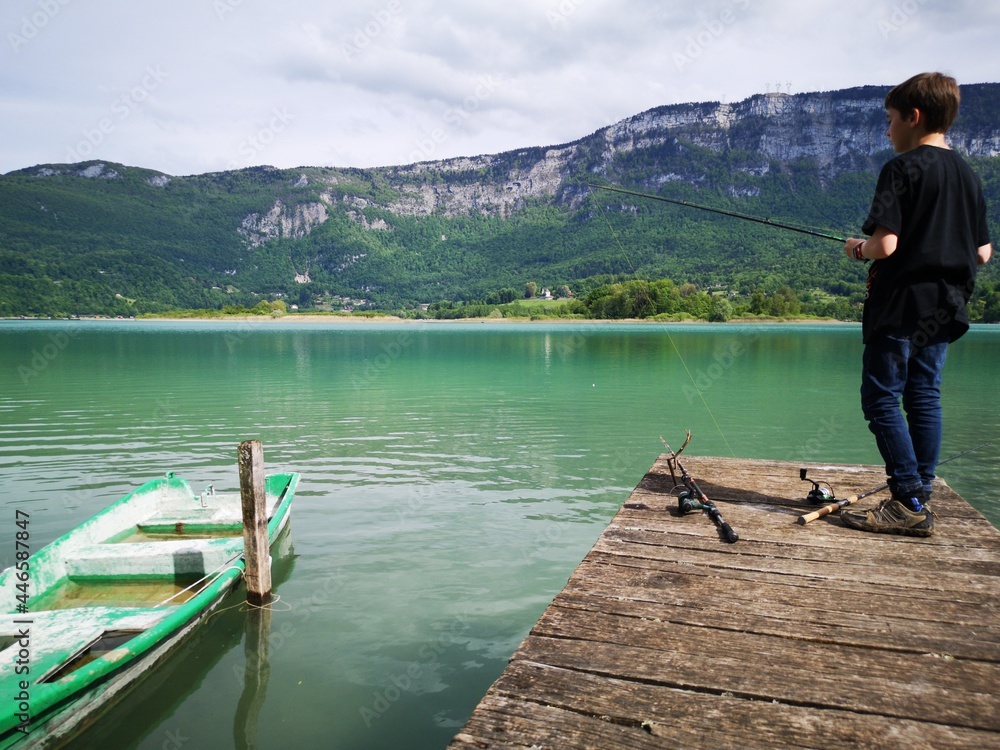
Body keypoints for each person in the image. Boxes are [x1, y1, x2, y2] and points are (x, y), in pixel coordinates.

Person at [840, 72, 993, 536]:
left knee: (881, 398)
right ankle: (919, 495)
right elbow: (984, 252)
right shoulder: (969, 174)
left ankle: (907, 498)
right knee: (924, 395)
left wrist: (855, 248)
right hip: (948, 306)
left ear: (914, 116)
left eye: (889, 120)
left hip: (902, 303)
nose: (887, 131)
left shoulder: (901, 168)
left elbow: (884, 244)